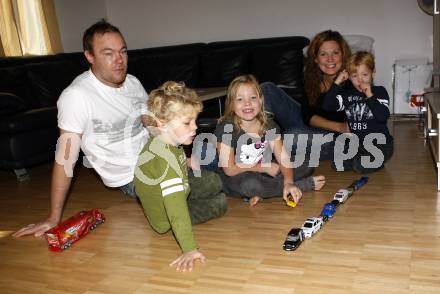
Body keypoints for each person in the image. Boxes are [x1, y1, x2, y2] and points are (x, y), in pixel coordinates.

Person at [12, 20, 225, 238]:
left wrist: (179, 155)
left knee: (216, 160)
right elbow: (65, 158)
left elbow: (152, 126)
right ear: (89, 56)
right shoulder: (76, 97)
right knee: (213, 186)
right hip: (135, 177)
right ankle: (172, 212)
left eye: (122, 51)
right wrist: (53, 217)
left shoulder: (132, 82)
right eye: (108, 53)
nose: (119, 60)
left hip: (159, 157)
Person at [134, 81, 226, 272]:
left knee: (213, 181)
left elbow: (168, 163)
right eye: (187, 122)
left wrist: (186, 161)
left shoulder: (163, 140)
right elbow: (176, 211)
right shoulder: (166, 162)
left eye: (194, 120)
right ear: (162, 123)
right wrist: (189, 249)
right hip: (167, 215)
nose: (195, 127)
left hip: (174, 190)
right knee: (220, 202)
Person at [214, 75, 326, 207]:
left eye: (253, 98)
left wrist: (288, 181)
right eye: (240, 99)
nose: (247, 103)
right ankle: (301, 185)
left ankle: (268, 190)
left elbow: (283, 158)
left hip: (263, 172)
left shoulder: (268, 125)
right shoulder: (226, 128)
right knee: (250, 185)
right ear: (232, 105)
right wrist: (263, 168)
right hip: (235, 177)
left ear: (260, 101)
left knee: (306, 163)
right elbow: (229, 169)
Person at [261, 30, 352, 164]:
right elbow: (307, 116)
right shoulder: (312, 79)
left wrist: (341, 129)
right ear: (316, 59)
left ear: (343, 55)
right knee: (266, 88)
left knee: (293, 136)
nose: (330, 59)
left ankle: (256, 151)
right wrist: (339, 126)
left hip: (335, 141)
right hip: (314, 127)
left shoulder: (354, 81)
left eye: (335, 53)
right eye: (323, 54)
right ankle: (258, 139)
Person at [321, 51, 394, 173]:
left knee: (359, 166)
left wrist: (370, 96)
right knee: (337, 164)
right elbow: (327, 106)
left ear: (373, 73)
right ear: (348, 77)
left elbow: (383, 116)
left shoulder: (379, 92)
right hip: (358, 145)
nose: (360, 80)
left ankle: (376, 161)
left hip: (380, 144)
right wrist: (337, 83)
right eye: (354, 76)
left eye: (364, 74)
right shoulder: (347, 95)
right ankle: (360, 159)